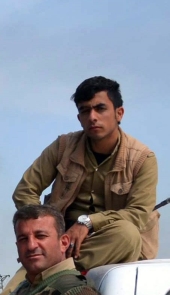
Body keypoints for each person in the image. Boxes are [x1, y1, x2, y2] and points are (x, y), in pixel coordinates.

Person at [12, 76, 158, 278]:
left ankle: (52, 273)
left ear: (119, 113)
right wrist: (48, 233)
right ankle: (51, 271)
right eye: (84, 110)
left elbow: (137, 214)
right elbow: (25, 191)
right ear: (79, 118)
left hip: (108, 243)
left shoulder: (142, 158)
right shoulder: (63, 146)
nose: (92, 117)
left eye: (100, 109)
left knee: (127, 234)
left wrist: (88, 222)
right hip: (61, 246)